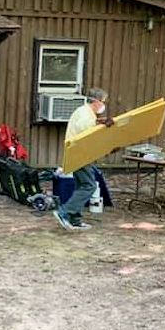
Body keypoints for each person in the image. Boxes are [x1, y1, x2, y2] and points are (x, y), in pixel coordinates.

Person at [55, 88, 114, 231]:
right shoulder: (86, 114)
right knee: (89, 186)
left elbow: (88, 124)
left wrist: (99, 122)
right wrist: (102, 128)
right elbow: (85, 130)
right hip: (80, 154)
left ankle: (75, 219)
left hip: (77, 153)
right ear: (96, 101)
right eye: (103, 102)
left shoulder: (84, 112)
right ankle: (65, 212)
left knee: (81, 186)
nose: (103, 105)